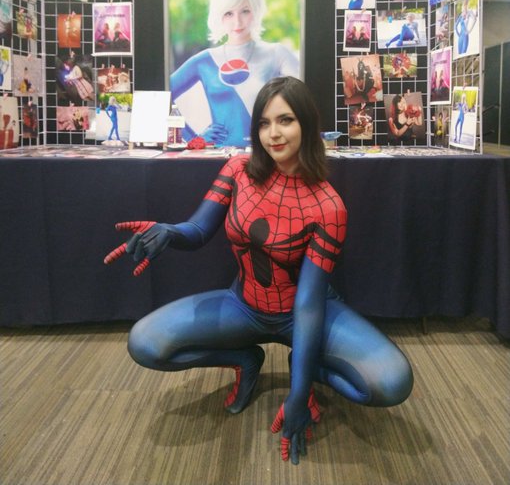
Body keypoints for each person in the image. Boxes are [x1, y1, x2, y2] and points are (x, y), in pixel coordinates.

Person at [104, 76, 413, 465]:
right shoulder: (238, 169)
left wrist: (298, 393)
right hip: (244, 305)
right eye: (264, 123)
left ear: (307, 124)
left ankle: (307, 367)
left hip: (305, 312)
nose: (273, 134)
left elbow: (308, 305)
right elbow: (198, 230)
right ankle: (245, 359)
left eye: (285, 120)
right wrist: (169, 231)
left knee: (392, 382)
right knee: (145, 343)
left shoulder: (328, 206)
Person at [169, 0, 299, 147]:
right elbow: (159, 98)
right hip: (218, 156)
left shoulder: (277, 53)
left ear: (256, 11)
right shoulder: (204, 61)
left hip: (266, 155)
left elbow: (306, 101)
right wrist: (194, 139)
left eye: (245, 11)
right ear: (218, 15)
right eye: (229, 13)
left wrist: (285, 133)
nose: (237, 21)